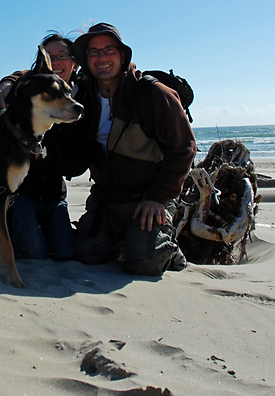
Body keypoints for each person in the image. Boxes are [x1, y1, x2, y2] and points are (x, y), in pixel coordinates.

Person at [72, 22, 196, 276]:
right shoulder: (82, 94)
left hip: (147, 200)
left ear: (122, 55)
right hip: (106, 200)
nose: (102, 58)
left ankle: (169, 249)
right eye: (94, 52)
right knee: (86, 256)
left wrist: (158, 197)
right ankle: (122, 238)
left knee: (143, 264)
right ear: (86, 59)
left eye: (109, 50)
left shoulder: (152, 93)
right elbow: (42, 75)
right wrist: (5, 85)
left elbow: (184, 149)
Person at [0, 32, 89, 261]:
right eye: (49, 55)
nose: (55, 61)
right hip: (22, 193)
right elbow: (10, 85)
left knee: (64, 253)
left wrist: (49, 157)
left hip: (54, 194)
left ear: (74, 62)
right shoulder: (31, 85)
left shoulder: (81, 96)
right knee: (34, 254)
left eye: (62, 55)